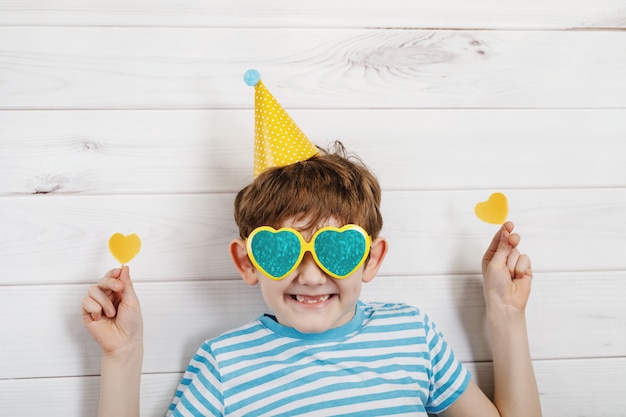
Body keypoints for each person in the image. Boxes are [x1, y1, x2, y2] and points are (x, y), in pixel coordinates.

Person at [82, 72, 541, 416]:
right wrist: (122, 357)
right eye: (280, 250)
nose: (310, 274)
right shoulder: (223, 366)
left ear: (371, 257)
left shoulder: (413, 338)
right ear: (247, 262)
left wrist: (507, 314)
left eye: (335, 248)